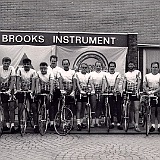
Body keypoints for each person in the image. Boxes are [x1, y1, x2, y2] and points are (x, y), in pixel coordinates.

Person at [16, 58, 38, 133]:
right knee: (20, 108)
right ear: (23, 65)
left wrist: (32, 91)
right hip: (22, 91)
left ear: (30, 64)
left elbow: (34, 82)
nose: (26, 65)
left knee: (34, 107)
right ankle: (20, 125)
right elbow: (18, 80)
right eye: (25, 64)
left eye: (28, 64)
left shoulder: (33, 72)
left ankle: (36, 125)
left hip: (30, 91)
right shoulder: (19, 70)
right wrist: (18, 90)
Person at [122, 61, 141, 132]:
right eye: (129, 65)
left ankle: (136, 124)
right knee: (130, 108)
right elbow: (124, 82)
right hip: (128, 92)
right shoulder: (126, 74)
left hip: (135, 92)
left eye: (132, 65)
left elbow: (139, 81)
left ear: (134, 65)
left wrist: (137, 90)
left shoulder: (138, 72)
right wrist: (123, 89)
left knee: (136, 108)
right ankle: (132, 122)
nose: (130, 66)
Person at [104, 62, 123, 130]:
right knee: (111, 108)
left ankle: (118, 123)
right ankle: (112, 122)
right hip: (110, 93)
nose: (112, 68)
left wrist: (115, 89)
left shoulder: (118, 74)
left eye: (113, 66)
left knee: (118, 108)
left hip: (117, 93)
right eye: (110, 66)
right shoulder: (106, 74)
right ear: (108, 67)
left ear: (115, 67)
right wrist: (106, 89)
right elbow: (105, 82)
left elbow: (117, 82)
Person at [36, 62, 54, 129]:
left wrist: (51, 92)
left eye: (44, 69)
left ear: (47, 68)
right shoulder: (38, 73)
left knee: (51, 105)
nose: (43, 70)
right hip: (41, 91)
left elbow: (52, 83)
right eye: (41, 69)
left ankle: (51, 122)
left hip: (48, 91)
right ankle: (40, 115)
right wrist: (37, 91)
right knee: (38, 104)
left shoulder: (50, 73)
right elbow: (37, 82)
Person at [0, 57, 16, 133]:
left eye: (8, 63)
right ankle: (7, 124)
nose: (6, 64)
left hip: (10, 90)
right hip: (2, 90)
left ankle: (12, 125)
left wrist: (9, 90)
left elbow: (13, 80)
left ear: (9, 63)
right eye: (5, 63)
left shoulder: (12, 68)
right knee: (5, 107)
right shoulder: (0, 69)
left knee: (11, 107)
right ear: (2, 63)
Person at [143, 62, 160, 132]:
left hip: (158, 94)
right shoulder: (147, 76)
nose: (154, 69)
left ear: (158, 68)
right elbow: (144, 85)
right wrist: (147, 91)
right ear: (151, 68)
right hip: (150, 95)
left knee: (159, 110)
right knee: (152, 110)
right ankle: (152, 125)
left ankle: (159, 126)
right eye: (153, 67)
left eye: (156, 67)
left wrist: (154, 91)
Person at [89, 61, 106, 127]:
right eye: (97, 66)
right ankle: (93, 121)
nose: (98, 67)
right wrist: (93, 90)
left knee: (99, 105)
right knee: (93, 105)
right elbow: (91, 82)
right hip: (93, 91)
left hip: (100, 91)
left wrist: (102, 90)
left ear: (101, 66)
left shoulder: (103, 74)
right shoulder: (92, 74)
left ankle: (97, 121)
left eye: (99, 66)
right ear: (95, 66)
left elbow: (104, 82)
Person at [74, 63, 91, 131]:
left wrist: (89, 90)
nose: (84, 69)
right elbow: (77, 83)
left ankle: (81, 123)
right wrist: (80, 90)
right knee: (79, 108)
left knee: (83, 108)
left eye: (85, 67)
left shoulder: (88, 75)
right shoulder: (77, 74)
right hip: (79, 93)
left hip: (86, 92)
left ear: (87, 68)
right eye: (83, 67)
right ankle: (78, 123)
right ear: (80, 68)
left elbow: (89, 83)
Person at [47, 55, 62, 130]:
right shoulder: (47, 68)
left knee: (56, 106)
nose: (53, 62)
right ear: (50, 61)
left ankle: (55, 122)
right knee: (49, 106)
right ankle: (50, 121)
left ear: (56, 61)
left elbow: (60, 80)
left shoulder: (59, 69)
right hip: (48, 89)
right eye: (52, 61)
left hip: (56, 89)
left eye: (55, 61)